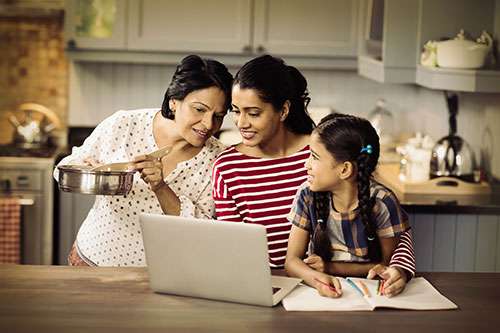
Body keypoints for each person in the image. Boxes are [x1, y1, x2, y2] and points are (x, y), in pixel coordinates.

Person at [212, 55, 415, 296]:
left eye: (253, 113)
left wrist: (398, 268)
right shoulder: (227, 167)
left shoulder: (325, 153)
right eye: (236, 111)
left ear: (284, 110)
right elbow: (233, 248)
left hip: (337, 285)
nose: (240, 123)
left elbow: (378, 217)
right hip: (264, 286)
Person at [55, 55, 233, 266]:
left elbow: (202, 232)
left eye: (219, 116)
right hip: (92, 261)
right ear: (174, 101)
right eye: (200, 109)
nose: (208, 124)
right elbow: (64, 170)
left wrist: (160, 187)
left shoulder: (218, 159)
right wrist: (92, 172)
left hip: (163, 277)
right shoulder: (124, 124)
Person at [285, 113, 412, 298]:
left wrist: (329, 267)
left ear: (344, 169)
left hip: (370, 295)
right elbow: (291, 261)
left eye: (314, 157)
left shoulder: (382, 202)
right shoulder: (307, 195)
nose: (306, 164)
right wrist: (317, 279)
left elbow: (384, 265)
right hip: (320, 295)